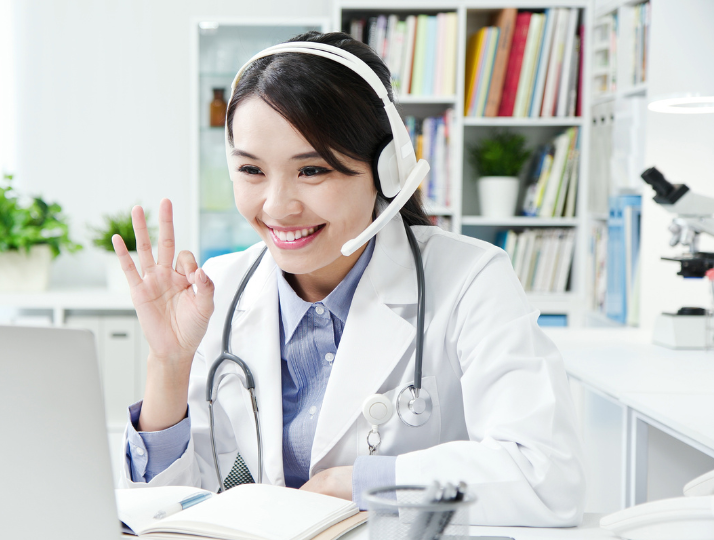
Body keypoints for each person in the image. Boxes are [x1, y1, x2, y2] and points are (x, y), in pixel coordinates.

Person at [111, 31, 584, 526]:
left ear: (387, 172)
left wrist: (362, 483)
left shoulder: (470, 279)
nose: (277, 206)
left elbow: (546, 476)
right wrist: (168, 364)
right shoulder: (217, 290)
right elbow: (169, 512)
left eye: (312, 170)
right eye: (251, 170)